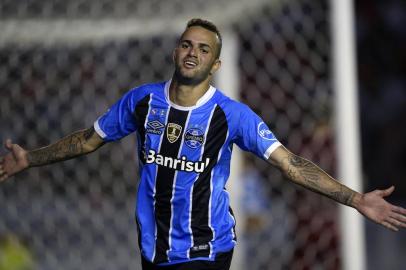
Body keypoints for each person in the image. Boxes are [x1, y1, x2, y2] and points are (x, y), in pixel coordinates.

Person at [0, 18, 405, 270]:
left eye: (204, 48)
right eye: (187, 44)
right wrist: (29, 159)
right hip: (153, 248)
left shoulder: (232, 115)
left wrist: (356, 200)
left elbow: (291, 164)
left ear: (216, 65)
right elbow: (89, 141)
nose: (193, 52)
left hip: (206, 249)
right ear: (176, 50)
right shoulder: (141, 100)